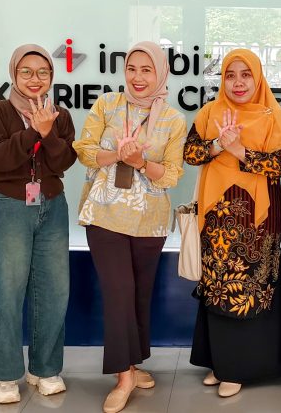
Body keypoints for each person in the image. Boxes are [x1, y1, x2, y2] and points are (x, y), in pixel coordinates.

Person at [72, 41, 186, 413]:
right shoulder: (107, 104)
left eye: (146, 70)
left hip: (149, 220)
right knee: (118, 291)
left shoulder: (173, 120)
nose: (138, 77)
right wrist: (116, 154)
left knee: (138, 295)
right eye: (132, 69)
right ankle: (124, 377)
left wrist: (138, 162)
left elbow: (171, 175)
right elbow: (84, 150)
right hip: (104, 214)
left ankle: (134, 366)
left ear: (160, 73)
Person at [183, 49, 281, 398]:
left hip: (256, 222)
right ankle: (220, 363)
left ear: (258, 77)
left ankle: (238, 369)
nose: (238, 83)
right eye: (230, 75)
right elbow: (191, 153)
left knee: (247, 290)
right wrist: (219, 143)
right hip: (216, 218)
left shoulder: (273, 117)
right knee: (218, 287)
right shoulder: (209, 112)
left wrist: (239, 152)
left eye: (246, 74)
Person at [0, 44, 77, 404]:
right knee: (7, 292)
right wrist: (33, 132)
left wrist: (48, 133)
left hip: (52, 207)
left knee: (54, 291)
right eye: (26, 72)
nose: (35, 79)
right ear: (14, 74)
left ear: (52, 76)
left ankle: (45, 369)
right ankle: (6, 377)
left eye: (43, 72)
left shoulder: (60, 115)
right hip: (9, 208)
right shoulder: (0, 111)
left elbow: (63, 162)